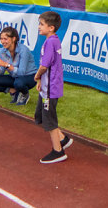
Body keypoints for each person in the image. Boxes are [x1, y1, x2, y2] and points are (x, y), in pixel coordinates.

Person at [35, 11, 73, 164]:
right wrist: (40, 81)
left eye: (41, 24)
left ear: (51, 28)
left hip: (50, 88)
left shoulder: (51, 42)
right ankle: (62, 139)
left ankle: (58, 151)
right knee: (40, 116)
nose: (39, 27)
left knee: (49, 119)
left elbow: (45, 65)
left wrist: (37, 76)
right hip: (46, 86)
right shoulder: (51, 41)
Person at [0, 25, 37, 105]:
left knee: (18, 83)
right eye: (1, 39)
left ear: (13, 39)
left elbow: (21, 72)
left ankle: (25, 94)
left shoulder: (23, 50)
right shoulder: (3, 51)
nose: (2, 41)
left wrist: (6, 64)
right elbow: (0, 73)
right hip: (15, 77)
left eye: (5, 39)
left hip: (29, 77)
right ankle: (13, 91)